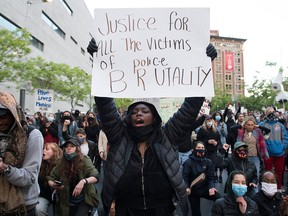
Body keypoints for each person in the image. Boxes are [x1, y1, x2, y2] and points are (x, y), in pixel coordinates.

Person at [88, 38, 217, 216]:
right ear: (128, 118)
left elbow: (191, 106)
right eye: (134, 112)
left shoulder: (167, 135)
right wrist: (98, 62)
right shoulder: (119, 136)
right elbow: (104, 103)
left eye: (144, 111)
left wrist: (205, 64)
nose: (138, 114)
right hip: (126, 209)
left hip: (161, 209)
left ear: (154, 118)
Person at [0, 92, 44, 215]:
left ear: (14, 115)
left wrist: (5, 169)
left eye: (3, 118)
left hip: (23, 204)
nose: (0, 122)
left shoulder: (32, 135)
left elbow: (29, 177)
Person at [47, 138, 99, 216]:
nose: (68, 148)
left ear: (77, 149)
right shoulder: (61, 162)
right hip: (66, 199)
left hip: (84, 198)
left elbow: (96, 176)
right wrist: (54, 185)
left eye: (72, 146)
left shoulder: (85, 160)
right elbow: (50, 178)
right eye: (67, 146)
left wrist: (83, 181)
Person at [182, 141, 221, 216]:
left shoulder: (208, 162)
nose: (201, 149)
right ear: (194, 150)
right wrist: (186, 187)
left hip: (205, 188)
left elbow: (211, 177)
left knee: (219, 198)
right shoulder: (188, 162)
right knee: (196, 212)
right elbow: (185, 176)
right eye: (199, 147)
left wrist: (211, 187)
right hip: (193, 190)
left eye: (202, 148)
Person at [260, 107, 288, 190]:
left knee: (279, 172)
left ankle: (278, 189)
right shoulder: (262, 125)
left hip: (279, 154)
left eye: (273, 111)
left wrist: (282, 147)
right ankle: (267, 189)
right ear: (266, 114)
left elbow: (285, 138)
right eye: (269, 112)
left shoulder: (280, 125)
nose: (272, 113)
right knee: (267, 172)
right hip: (268, 154)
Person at [36, 142, 63, 216]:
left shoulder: (60, 165)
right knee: (37, 208)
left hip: (58, 196)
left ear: (55, 152)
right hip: (42, 195)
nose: (43, 151)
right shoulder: (39, 164)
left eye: (47, 149)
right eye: (43, 149)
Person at [196, 115, 222, 182]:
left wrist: (216, 143)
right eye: (208, 120)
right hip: (204, 152)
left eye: (210, 120)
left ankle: (211, 181)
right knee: (204, 167)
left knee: (212, 167)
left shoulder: (215, 130)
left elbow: (219, 140)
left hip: (213, 152)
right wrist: (207, 141)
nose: (209, 122)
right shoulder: (202, 130)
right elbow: (198, 140)